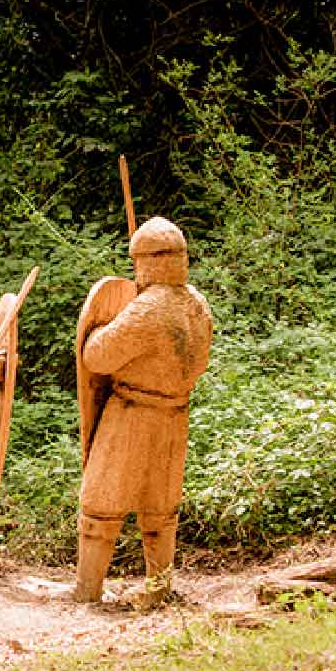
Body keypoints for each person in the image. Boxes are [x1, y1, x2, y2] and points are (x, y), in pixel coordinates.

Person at [73, 216, 214, 605]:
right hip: (175, 413)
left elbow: (96, 357)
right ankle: (158, 587)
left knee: (101, 504)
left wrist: (104, 324)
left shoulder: (150, 308)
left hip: (133, 413)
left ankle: (88, 591)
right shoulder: (197, 304)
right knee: (160, 508)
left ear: (146, 261)